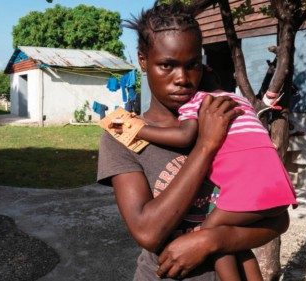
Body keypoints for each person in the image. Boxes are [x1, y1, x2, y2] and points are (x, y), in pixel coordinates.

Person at [97, 1, 291, 280]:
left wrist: (213, 240)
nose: (182, 79)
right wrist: (206, 145)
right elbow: (148, 233)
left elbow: (277, 218)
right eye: (167, 65)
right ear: (143, 60)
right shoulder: (121, 136)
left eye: (192, 66)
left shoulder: (223, 118)